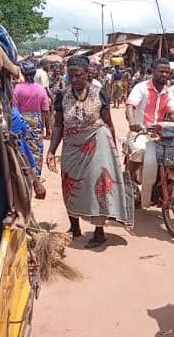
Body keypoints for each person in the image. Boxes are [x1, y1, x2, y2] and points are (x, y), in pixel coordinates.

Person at [46, 56, 133, 248]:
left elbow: (108, 123)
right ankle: (74, 226)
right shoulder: (62, 96)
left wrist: (113, 151)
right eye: (70, 76)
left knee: (97, 182)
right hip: (71, 145)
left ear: (87, 74)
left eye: (78, 75)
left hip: (97, 141)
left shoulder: (99, 93)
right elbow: (58, 126)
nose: (74, 79)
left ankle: (99, 232)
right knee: (70, 184)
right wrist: (51, 151)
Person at [125, 58, 174, 182]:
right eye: (161, 71)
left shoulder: (168, 92)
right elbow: (130, 106)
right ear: (153, 71)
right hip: (139, 132)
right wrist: (132, 123)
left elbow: (172, 114)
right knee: (140, 152)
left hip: (159, 134)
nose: (165, 74)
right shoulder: (141, 88)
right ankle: (126, 180)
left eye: (167, 72)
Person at [13, 61, 51, 177]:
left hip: (21, 121)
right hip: (37, 123)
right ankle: (37, 176)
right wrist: (48, 128)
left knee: (23, 148)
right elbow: (45, 110)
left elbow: (14, 108)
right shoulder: (41, 89)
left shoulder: (17, 89)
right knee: (37, 149)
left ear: (22, 73)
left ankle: (25, 174)